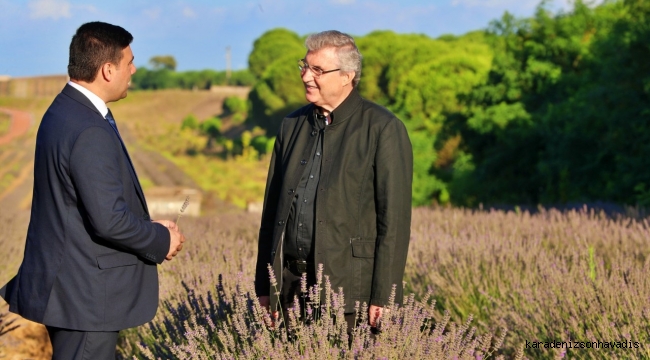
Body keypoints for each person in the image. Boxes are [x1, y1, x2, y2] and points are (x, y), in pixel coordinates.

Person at [0, 21, 186, 359]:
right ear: (108, 69)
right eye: (129, 61)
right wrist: (161, 239)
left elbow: (82, 205)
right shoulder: (89, 128)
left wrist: (150, 226)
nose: (134, 68)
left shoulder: (64, 111)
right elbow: (109, 220)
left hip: (71, 292)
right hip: (85, 299)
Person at [255, 30, 413, 330]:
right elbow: (271, 214)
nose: (305, 77)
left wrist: (384, 296)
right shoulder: (291, 126)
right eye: (304, 66)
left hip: (351, 293)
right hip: (289, 289)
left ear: (347, 76)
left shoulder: (384, 129)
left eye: (318, 70)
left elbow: (394, 223)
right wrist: (266, 286)